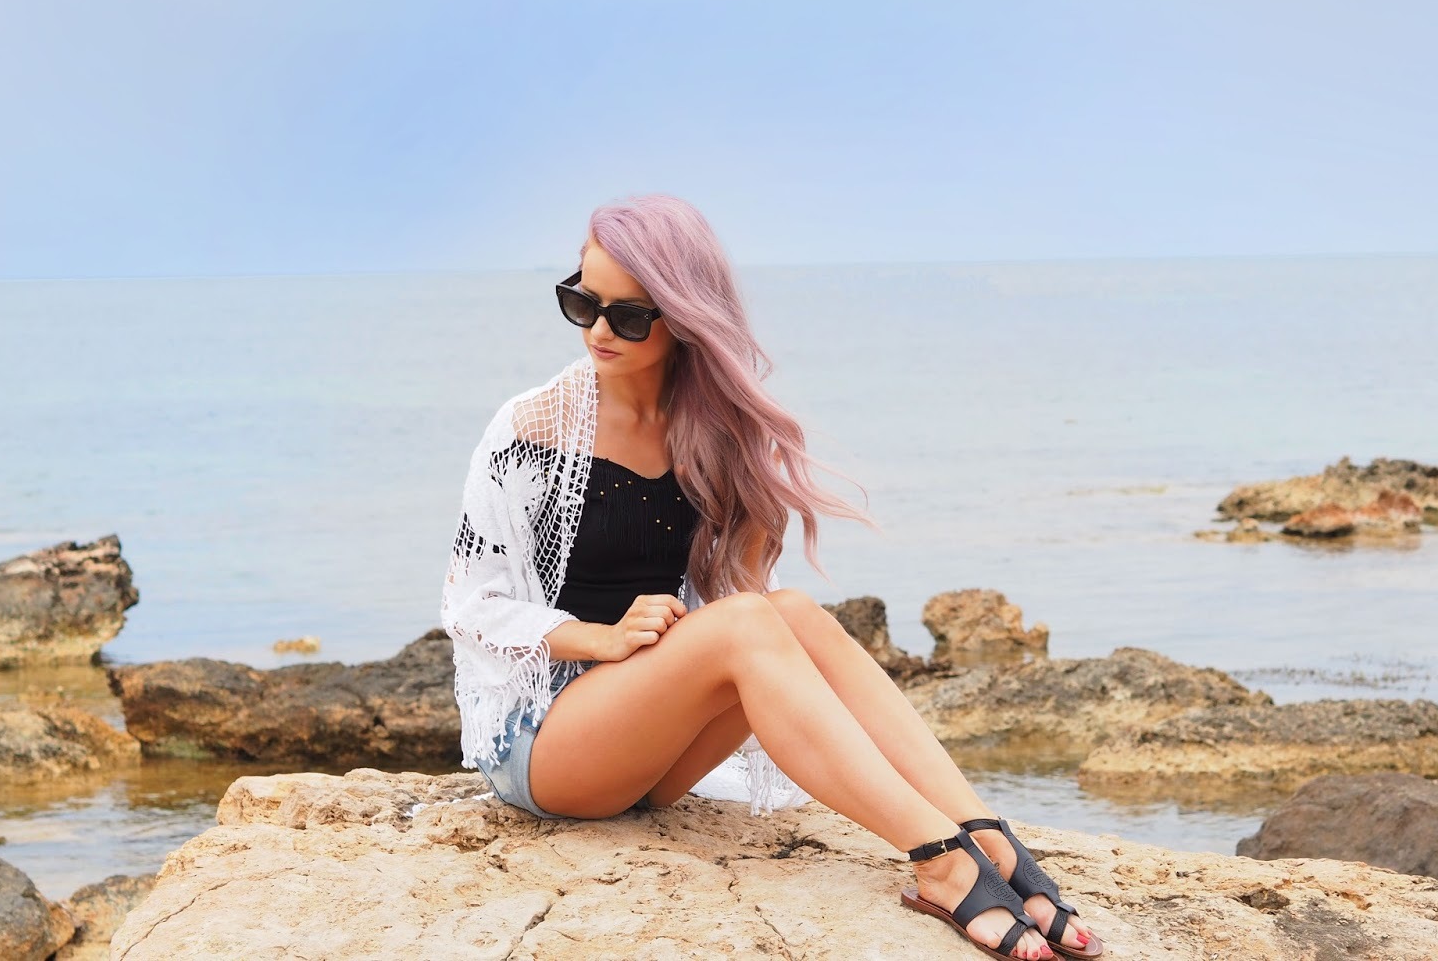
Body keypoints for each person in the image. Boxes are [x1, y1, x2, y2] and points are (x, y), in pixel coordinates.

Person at [440, 194, 1104, 960]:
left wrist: (745, 507)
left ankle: (985, 836)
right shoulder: (531, 428)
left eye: (628, 316)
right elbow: (469, 604)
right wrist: (599, 637)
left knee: (791, 612)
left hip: (654, 748)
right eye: (582, 302)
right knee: (759, 621)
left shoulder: (712, 430)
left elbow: (744, 612)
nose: (598, 332)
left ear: (684, 317)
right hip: (545, 741)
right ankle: (944, 863)